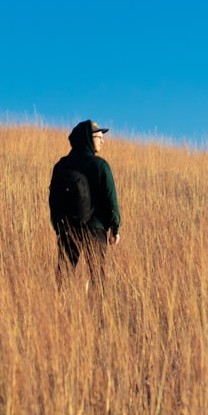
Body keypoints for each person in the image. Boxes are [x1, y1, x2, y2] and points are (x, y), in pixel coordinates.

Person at [49, 120, 121, 289]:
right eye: (98, 137)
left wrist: (58, 228)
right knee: (98, 278)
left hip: (67, 230)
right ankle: (99, 313)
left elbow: (53, 200)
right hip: (95, 230)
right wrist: (115, 227)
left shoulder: (60, 165)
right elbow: (111, 200)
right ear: (88, 139)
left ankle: (61, 311)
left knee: (64, 277)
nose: (102, 141)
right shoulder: (100, 165)